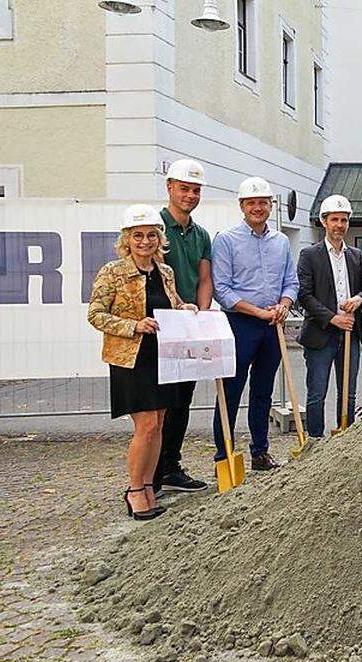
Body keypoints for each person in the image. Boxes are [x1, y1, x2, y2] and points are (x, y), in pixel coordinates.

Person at [88, 204, 198, 519]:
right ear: (127, 239)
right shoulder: (113, 272)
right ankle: (135, 489)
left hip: (162, 356)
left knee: (160, 422)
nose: (145, 241)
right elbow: (95, 314)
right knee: (146, 424)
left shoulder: (165, 272)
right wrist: (133, 325)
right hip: (131, 359)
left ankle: (150, 485)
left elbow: (172, 303)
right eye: (138, 235)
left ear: (159, 238)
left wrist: (185, 308)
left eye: (151, 235)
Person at [210, 177, 297, 472]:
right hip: (239, 324)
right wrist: (257, 313)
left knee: (263, 391)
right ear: (242, 206)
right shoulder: (226, 240)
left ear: (271, 205)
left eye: (263, 202)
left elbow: (290, 281)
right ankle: (224, 456)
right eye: (252, 203)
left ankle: (260, 452)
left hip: (273, 325)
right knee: (230, 391)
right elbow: (222, 289)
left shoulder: (282, 241)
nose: (258, 208)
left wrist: (284, 304)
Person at [154, 159, 213, 493]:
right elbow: (161, 276)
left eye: (195, 190)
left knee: (182, 399)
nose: (190, 195)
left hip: (189, 324)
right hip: (162, 325)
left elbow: (205, 279)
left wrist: (202, 312)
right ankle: (152, 471)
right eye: (184, 189)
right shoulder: (156, 228)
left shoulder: (201, 234)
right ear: (170, 188)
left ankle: (171, 466)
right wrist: (179, 306)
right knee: (159, 403)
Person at [296, 194, 362, 436]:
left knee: (348, 392)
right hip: (320, 335)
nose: (339, 225)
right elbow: (304, 295)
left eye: (344, 220)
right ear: (324, 222)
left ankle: (346, 438)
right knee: (317, 392)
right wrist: (332, 318)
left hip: (350, 334)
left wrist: (360, 299)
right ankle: (315, 441)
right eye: (335, 219)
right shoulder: (310, 255)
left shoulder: (355, 256)